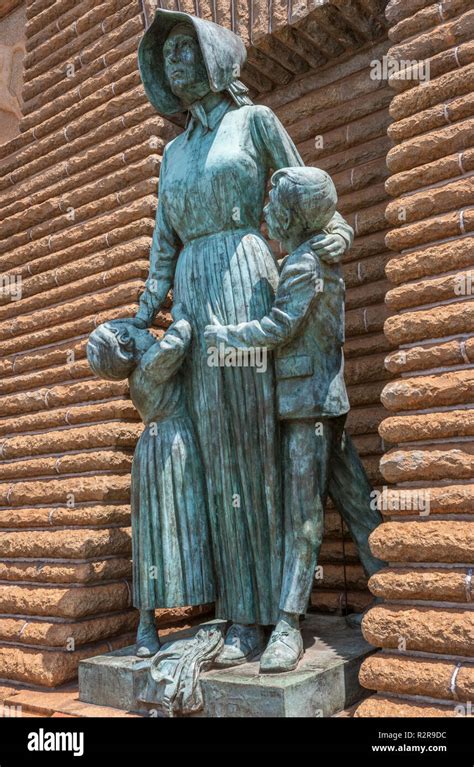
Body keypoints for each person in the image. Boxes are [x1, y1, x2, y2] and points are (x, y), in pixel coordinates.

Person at [129, 8, 354, 667]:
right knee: (213, 457)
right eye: (165, 55)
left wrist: (326, 251)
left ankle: (269, 618)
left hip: (249, 290)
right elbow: (162, 250)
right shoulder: (172, 153)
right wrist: (142, 315)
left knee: (256, 455)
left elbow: (314, 203)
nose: (175, 63)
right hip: (195, 310)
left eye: (185, 50)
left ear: (216, 56)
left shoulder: (255, 123)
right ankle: (235, 614)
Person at [204, 167, 385, 673]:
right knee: (355, 499)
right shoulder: (312, 253)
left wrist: (226, 337)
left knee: (302, 517)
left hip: (308, 405)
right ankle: (389, 588)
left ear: (293, 214)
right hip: (324, 401)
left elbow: (279, 327)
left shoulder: (303, 265)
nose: (265, 212)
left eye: (273, 205)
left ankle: (287, 624)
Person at [87, 317, 214, 657]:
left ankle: (147, 627)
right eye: (135, 332)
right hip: (174, 446)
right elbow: (182, 334)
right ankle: (217, 608)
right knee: (186, 526)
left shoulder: (138, 373)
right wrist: (183, 304)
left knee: (152, 537)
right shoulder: (153, 363)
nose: (145, 331)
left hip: (151, 450)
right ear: (127, 346)